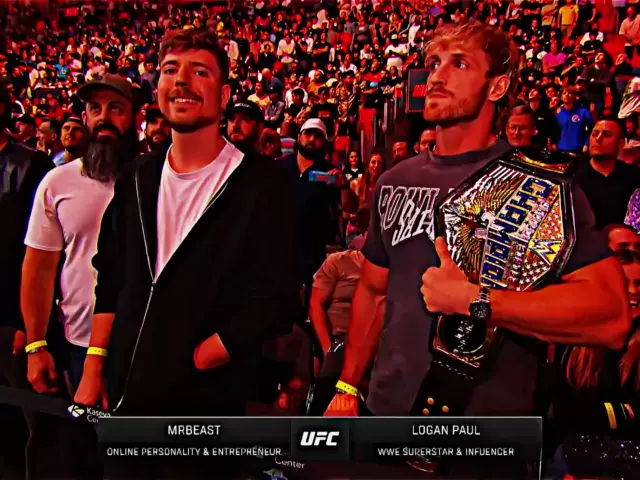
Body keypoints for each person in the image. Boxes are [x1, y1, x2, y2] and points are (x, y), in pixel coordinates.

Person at [325, 22, 629, 474]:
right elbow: (373, 291)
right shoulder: (394, 180)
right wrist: (347, 388)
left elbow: (611, 317)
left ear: (497, 86)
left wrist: (477, 301)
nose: (436, 76)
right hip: (385, 422)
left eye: (459, 64)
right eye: (433, 64)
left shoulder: (540, 187)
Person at [74, 29, 302, 422]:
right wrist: (94, 365)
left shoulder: (263, 186)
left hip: (206, 407)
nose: (181, 80)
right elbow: (111, 277)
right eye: (170, 70)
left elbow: (279, 296)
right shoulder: (136, 177)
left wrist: (208, 354)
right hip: (124, 395)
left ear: (224, 95)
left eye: (199, 72)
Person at [22, 74, 140, 394]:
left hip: (143, 343)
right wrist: (35, 344)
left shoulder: (157, 180)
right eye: (95, 109)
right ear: (85, 118)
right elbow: (39, 269)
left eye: (116, 108)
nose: (104, 117)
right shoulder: (57, 182)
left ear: (134, 117)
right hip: (77, 342)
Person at [576, 118, 640, 229]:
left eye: (606, 135)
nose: (598, 138)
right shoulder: (572, 174)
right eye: (595, 134)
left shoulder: (634, 177)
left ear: (620, 143)